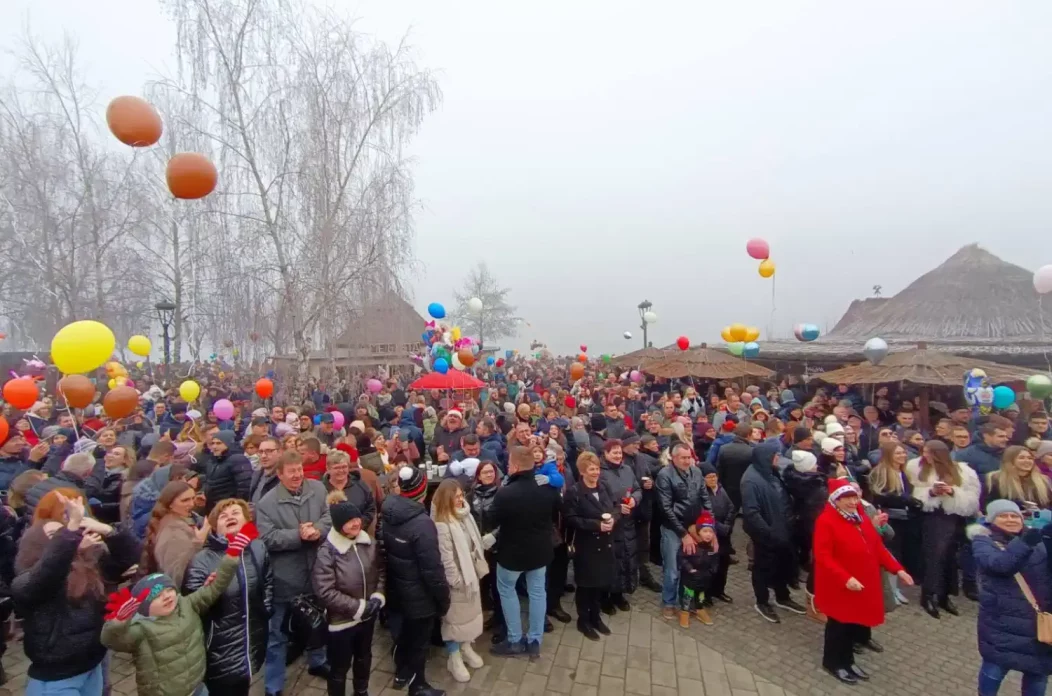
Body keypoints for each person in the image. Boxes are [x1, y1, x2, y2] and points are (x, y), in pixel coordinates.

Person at [100, 522, 256, 696]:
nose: (166, 596)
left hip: (198, 687)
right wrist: (118, 622)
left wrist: (231, 556)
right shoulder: (141, 630)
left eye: (169, 590)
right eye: (157, 596)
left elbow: (216, 587)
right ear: (143, 607)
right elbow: (111, 640)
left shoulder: (188, 605)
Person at [14, 491, 139, 695]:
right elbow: (49, 571)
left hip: (93, 663)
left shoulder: (87, 566)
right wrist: (71, 531)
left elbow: (132, 557)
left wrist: (107, 530)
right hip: (58, 676)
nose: (68, 538)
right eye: (56, 536)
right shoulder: (26, 580)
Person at [814, 478, 913, 685]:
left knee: (852, 625)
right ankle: (833, 662)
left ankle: (847, 661)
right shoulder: (826, 521)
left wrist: (898, 570)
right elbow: (823, 556)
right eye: (846, 498)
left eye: (854, 497)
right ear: (835, 501)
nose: (852, 502)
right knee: (838, 626)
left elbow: (877, 548)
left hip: (861, 583)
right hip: (840, 585)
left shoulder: (859, 517)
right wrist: (846, 578)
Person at [256, 450, 333, 693]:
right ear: (279, 475)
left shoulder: (319, 489)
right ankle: (273, 685)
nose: (297, 475)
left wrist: (318, 530)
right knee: (277, 635)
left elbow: (329, 516)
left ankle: (317, 661)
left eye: (299, 469)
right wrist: (296, 536)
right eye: (291, 471)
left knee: (317, 622)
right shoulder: (266, 504)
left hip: (315, 574)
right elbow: (266, 538)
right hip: (284, 580)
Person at [185, 498, 272, 696]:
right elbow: (190, 608)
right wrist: (207, 590)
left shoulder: (258, 548)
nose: (230, 517)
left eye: (235, 513)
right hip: (219, 651)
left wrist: (265, 610)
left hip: (251, 645)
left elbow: (267, 582)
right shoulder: (202, 560)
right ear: (215, 527)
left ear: (247, 520)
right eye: (223, 516)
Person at [970, 499, 1052, 695]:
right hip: (1003, 622)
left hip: (1038, 623)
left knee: (1037, 676)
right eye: (1003, 516)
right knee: (994, 671)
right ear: (991, 520)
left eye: (1014, 515)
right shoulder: (983, 541)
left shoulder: (1037, 539)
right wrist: (1026, 542)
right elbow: (1000, 564)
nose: (1010, 519)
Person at [381, 466, 449, 696]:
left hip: (396, 586)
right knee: (419, 641)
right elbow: (432, 568)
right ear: (423, 491)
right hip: (418, 595)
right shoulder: (422, 523)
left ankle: (401, 671)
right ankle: (417, 685)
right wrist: (443, 599)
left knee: (402, 636)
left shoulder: (389, 509)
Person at [490, 445, 561, 657]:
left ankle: (514, 640)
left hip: (512, 554)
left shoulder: (505, 493)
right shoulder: (547, 489)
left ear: (515, 465)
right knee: (538, 593)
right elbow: (557, 511)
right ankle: (534, 641)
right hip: (540, 552)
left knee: (507, 591)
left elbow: (494, 519)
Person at [313, 493, 386, 696]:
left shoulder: (368, 543)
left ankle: (361, 691)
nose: (355, 524)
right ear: (338, 525)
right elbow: (325, 591)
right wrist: (358, 607)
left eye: (357, 519)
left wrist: (377, 597)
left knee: (364, 658)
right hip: (341, 621)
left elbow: (380, 571)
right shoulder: (327, 552)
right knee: (339, 667)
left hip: (367, 617)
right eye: (349, 521)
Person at [906, 439, 981, 618]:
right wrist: (931, 493)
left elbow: (973, 499)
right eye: (924, 452)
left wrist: (953, 492)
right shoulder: (917, 468)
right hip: (931, 519)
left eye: (929, 453)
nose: (925, 456)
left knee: (950, 557)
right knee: (934, 556)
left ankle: (944, 595)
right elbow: (913, 494)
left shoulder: (964, 471)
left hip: (954, 517)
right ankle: (929, 594)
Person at [741, 440, 805, 623]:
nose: (779, 458)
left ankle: (782, 596)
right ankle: (762, 602)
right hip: (767, 536)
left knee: (782, 566)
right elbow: (752, 513)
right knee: (762, 569)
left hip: (783, 531)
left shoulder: (771, 472)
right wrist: (768, 533)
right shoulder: (751, 480)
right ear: (766, 457)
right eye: (776, 455)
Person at [431, 480, 488, 683]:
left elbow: (472, 542)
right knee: (454, 620)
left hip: (470, 576)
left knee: (469, 617)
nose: (461, 499)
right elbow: (445, 557)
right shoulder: (441, 524)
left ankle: (466, 647)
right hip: (456, 582)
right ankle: (454, 657)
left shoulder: (465, 515)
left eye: (461, 495)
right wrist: (455, 580)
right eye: (456, 496)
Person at [655, 442, 712, 620]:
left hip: (695, 527)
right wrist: (683, 533)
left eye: (690, 457)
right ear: (673, 457)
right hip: (674, 529)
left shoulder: (696, 472)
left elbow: (705, 498)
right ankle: (669, 603)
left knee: (693, 568)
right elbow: (665, 508)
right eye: (683, 458)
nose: (688, 461)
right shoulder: (664, 475)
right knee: (672, 570)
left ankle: (689, 602)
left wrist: (709, 525)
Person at [563, 452, 616, 640]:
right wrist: (596, 525)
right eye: (591, 469)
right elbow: (571, 519)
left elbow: (614, 507)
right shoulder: (575, 492)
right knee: (585, 585)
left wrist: (613, 520)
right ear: (582, 471)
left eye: (597, 468)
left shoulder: (604, 487)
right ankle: (583, 620)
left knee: (600, 583)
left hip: (605, 543)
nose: (596, 472)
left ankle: (596, 616)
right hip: (586, 545)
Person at [867, 440, 924, 603]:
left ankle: (896, 589)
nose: (902, 456)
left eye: (903, 452)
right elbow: (878, 496)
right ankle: (891, 591)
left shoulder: (904, 472)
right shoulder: (881, 472)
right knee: (892, 554)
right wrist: (903, 499)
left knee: (902, 553)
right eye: (898, 453)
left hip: (906, 518)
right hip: (891, 518)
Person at [141, 480, 209, 589]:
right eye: (185, 500)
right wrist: (199, 541)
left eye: (193, 498)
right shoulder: (173, 532)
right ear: (170, 504)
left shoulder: (181, 518)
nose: (192, 504)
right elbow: (176, 576)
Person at [598, 439, 640, 613]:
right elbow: (599, 499)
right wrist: (616, 509)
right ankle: (605, 597)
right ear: (606, 454)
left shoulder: (628, 469)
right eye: (613, 452)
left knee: (626, 559)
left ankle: (619, 594)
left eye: (619, 452)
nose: (617, 455)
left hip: (627, 523)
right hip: (610, 524)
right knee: (610, 562)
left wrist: (634, 500)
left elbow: (637, 489)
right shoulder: (600, 473)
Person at [469, 460, 504, 642]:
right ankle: (485, 617)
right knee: (483, 584)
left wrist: (494, 535)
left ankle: (500, 621)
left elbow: (506, 519)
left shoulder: (501, 494)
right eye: (485, 472)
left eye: (491, 472)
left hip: (497, 547)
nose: (489, 475)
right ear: (478, 476)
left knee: (498, 587)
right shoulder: (471, 494)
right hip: (478, 547)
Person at [698, 462, 734, 603]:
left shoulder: (721, 489)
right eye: (709, 477)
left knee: (723, 565)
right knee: (709, 566)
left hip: (724, 535)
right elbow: (705, 514)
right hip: (711, 534)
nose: (713, 480)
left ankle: (719, 590)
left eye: (715, 476)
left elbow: (731, 507)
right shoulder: (702, 494)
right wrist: (718, 527)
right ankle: (706, 594)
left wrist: (727, 525)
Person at [677, 511, 719, 628]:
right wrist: (689, 569)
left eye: (710, 532)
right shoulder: (692, 544)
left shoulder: (712, 547)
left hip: (704, 578)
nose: (708, 534)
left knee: (701, 596)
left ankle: (699, 609)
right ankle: (684, 612)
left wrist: (712, 571)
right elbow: (682, 557)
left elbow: (715, 560)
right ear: (699, 531)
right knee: (687, 596)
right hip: (690, 577)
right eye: (705, 531)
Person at [198, 430, 253, 513]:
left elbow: (244, 487)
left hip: (230, 508)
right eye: (213, 443)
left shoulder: (237, 459)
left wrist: (237, 507)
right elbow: (209, 482)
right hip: (214, 508)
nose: (214, 446)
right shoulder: (212, 461)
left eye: (219, 443)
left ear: (229, 443)